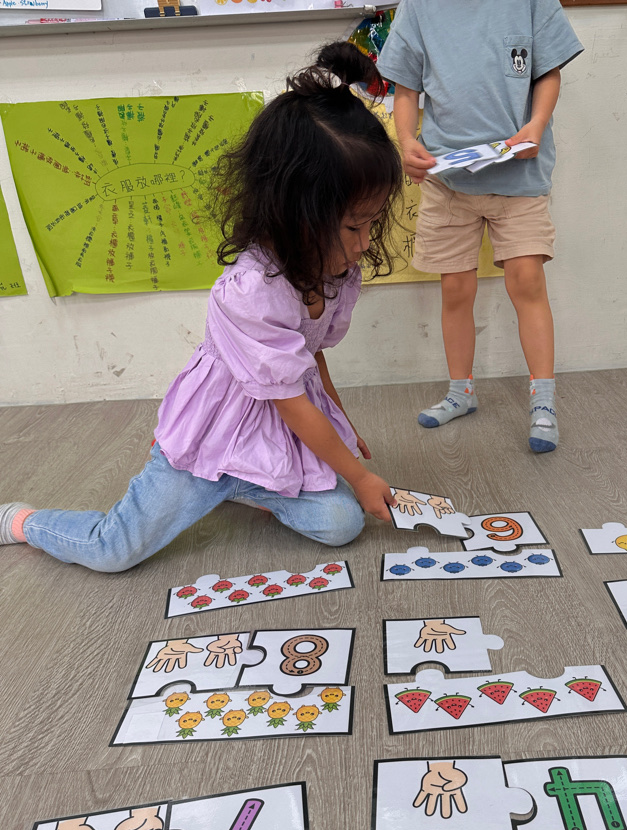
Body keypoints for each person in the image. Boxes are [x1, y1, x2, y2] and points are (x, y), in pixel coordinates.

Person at [0, 43, 402, 570]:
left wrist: (341, 426)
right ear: (296, 212)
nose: (364, 243)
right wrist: (357, 473)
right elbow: (290, 399)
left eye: (372, 223)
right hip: (208, 438)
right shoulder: (249, 291)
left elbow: (311, 356)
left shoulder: (333, 272)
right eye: (354, 226)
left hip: (271, 437)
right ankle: (21, 521)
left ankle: (249, 486)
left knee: (342, 524)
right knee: (113, 550)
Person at [376, 0, 583, 451]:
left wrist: (537, 124)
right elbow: (406, 88)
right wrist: (406, 141)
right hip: (448, 179)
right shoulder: (419, 8)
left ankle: (544, 403)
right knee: (455, 289)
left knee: (527, 281)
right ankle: (460, 392)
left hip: (520, 176)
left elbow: (548, 72)